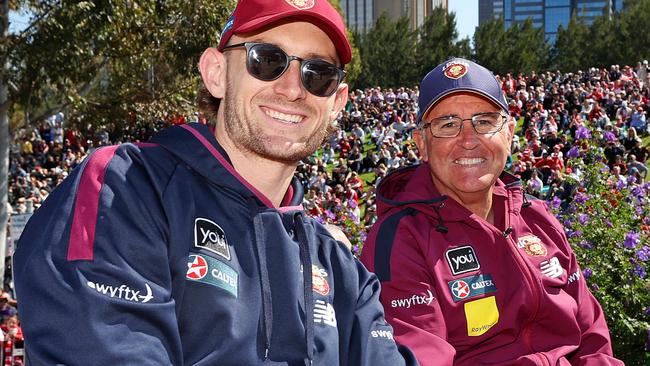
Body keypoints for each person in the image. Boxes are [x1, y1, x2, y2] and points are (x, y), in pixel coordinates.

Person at [13, 1, 418, 365]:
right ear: (216, 73)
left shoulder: (339, 266)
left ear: (338, 103)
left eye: (319, 74)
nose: (293, 88)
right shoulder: (127, 187)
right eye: (266, 59)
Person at [360, 58, 623, 365]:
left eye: (484, 122)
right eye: (448, 125)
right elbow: (422, 356)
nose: (469, 140)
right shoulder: (400, 239)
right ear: (422, 143)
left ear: (509, 134)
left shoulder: (538, 217)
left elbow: (592, 336)